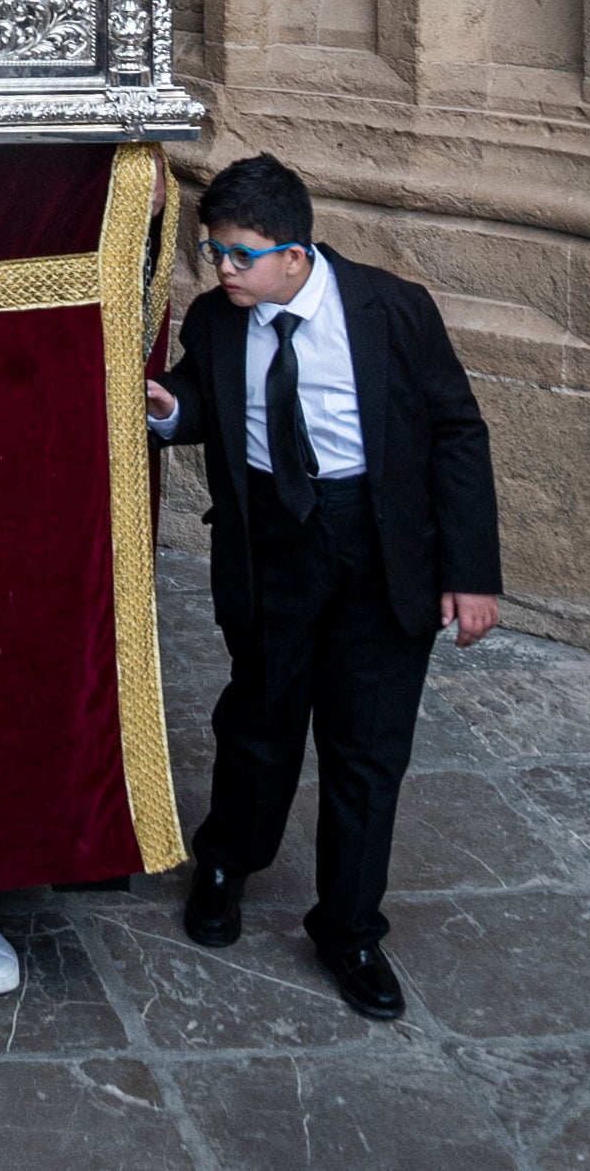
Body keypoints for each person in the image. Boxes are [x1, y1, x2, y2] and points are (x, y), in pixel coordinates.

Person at [146, 150, 502, 1020]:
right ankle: (227, 863)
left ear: (293, 251)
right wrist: (170, 409)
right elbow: (201, 395)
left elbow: (456, 430)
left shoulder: (389, 308)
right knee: (259, 719)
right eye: (212, 248)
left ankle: (347, 928)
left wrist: (469, 573)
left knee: (366, 747)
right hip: (272, 541)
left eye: (237, 252)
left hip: (380, 547)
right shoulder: (218, 317)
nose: (220, 267)